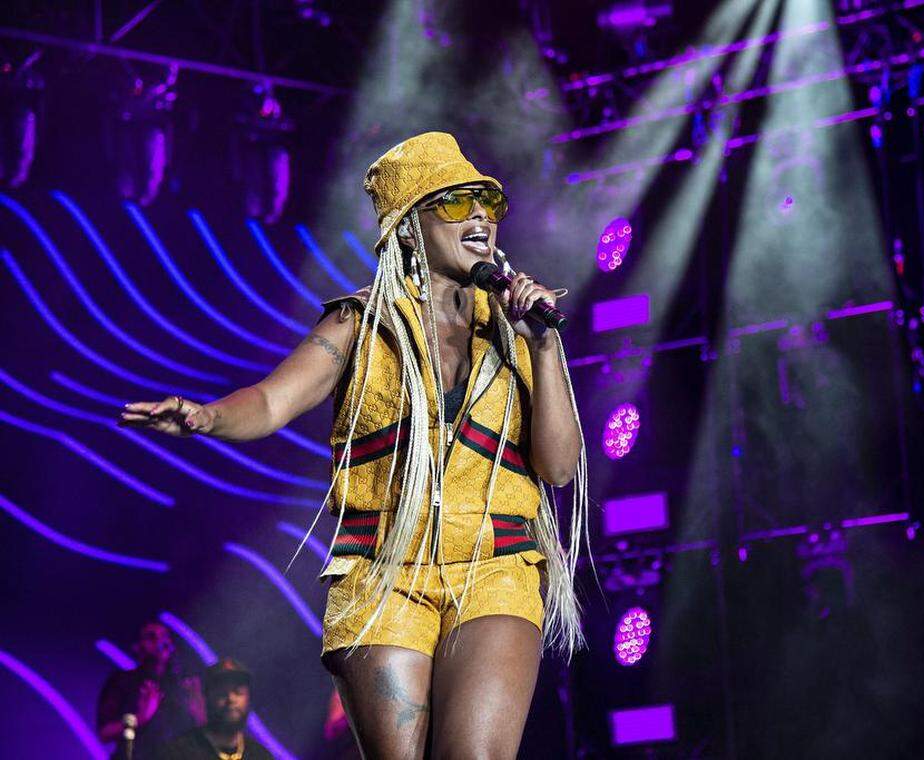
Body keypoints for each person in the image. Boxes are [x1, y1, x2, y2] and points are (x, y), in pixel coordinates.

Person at [119, 131, 590, 758]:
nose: (480, 215)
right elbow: (271, 401)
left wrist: (545, 344)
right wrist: (206, 417)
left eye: (485, 202)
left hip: (495, 566)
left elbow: (558, 467)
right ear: (410, 224)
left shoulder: (516, 330)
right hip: (384, 572)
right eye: (454, 202)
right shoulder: (359, 323)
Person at [96, 620, 205, 759]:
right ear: (137, 646)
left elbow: (206, 735)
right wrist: (140, 718)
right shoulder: (122, 681)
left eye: (165, 637)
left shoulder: (182, 685)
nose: (161, 642)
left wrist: (199, 710)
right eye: (152, 637)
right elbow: (105, 733)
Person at [155, 658, 271, 760]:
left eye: (238, 692)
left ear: (248, 699)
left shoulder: (260, 755)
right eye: (222, 692)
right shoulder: (179, 753)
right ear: (207, 697)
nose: (230, 699)